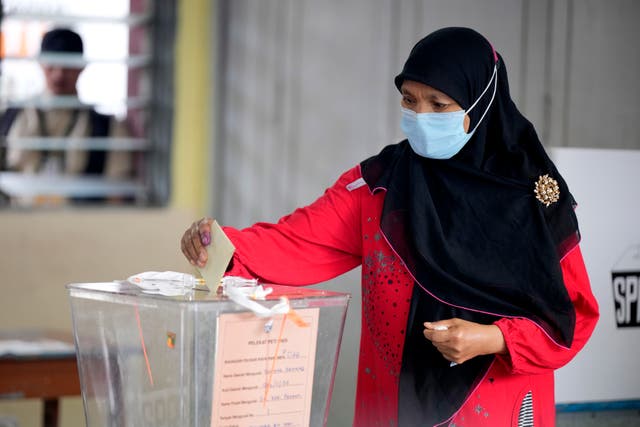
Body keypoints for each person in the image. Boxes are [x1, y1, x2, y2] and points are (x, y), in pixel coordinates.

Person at [180, 27, 599, 427]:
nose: (420, 116)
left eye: (438, 104)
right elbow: (294, 242)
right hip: (394, 406)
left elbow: (575, 316)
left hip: (497, 404)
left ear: (480, 104)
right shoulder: (380, 187)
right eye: (409, 100)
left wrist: (494, 339)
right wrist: (218, 246)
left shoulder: (535, 200)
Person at [0, 28, 132, 203]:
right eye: (52, 65)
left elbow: (117, 195)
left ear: (81, 66)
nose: (59, 74)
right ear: (40, 63)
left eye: (67, 66)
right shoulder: (9, 119)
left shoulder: (109, 128)